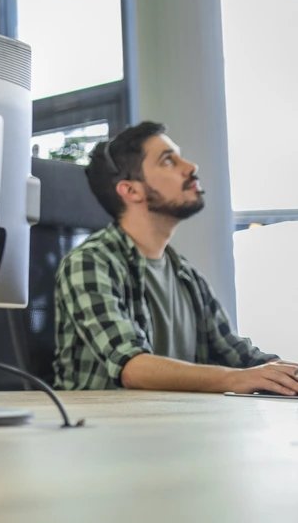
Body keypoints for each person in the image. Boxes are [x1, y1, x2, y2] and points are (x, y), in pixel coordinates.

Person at [54, 121, 296, 394]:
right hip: (103, 431)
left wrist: (288, 375)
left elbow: (242, 357)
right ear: (131, 190)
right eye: (169, 161)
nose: (191, 167)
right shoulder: (90, 262)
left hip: (173, 427)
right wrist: (235, 379)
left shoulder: (186, 275)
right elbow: (132, 366)